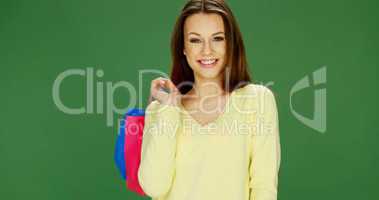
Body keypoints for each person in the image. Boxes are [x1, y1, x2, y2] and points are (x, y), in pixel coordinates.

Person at [138, 0, 281, 199]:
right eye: (195, 40)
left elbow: (263, 186)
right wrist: (169, 109)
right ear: (183, 47)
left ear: (231, 44)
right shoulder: (160, 110)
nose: (207, 51)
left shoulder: (257, 100)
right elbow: (154, 187)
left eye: (218, 38)